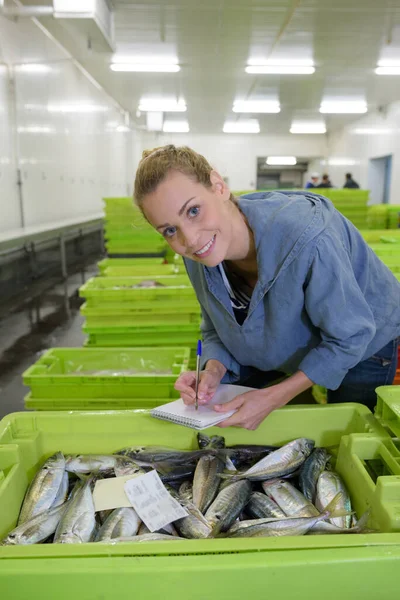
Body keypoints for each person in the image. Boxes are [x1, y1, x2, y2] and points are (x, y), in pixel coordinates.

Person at [133, 145, 400, 430]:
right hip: (297, 340)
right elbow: (215, 327)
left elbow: (351, 337)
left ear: (218, 186)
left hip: (364, 339)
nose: (190, 239)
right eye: (170, 230)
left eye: (194, 210)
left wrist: (274, 397)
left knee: (345, 428)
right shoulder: (199, 254)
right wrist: (213, 370)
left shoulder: (307, 238)